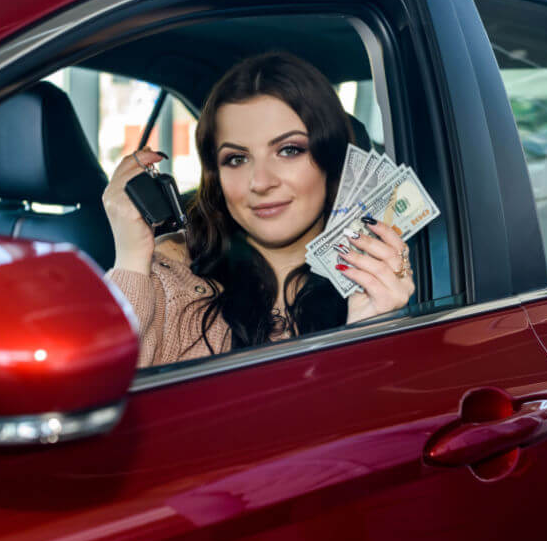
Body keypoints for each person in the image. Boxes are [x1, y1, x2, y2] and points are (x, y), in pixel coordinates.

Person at [103, 52, 415, 367]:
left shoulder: (385, 285)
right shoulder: (167, 284)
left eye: (289, 150)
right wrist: (130, 258)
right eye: (237, 159)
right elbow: (102, 393)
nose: (260, 182)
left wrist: (367, 334)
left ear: (332, 162)